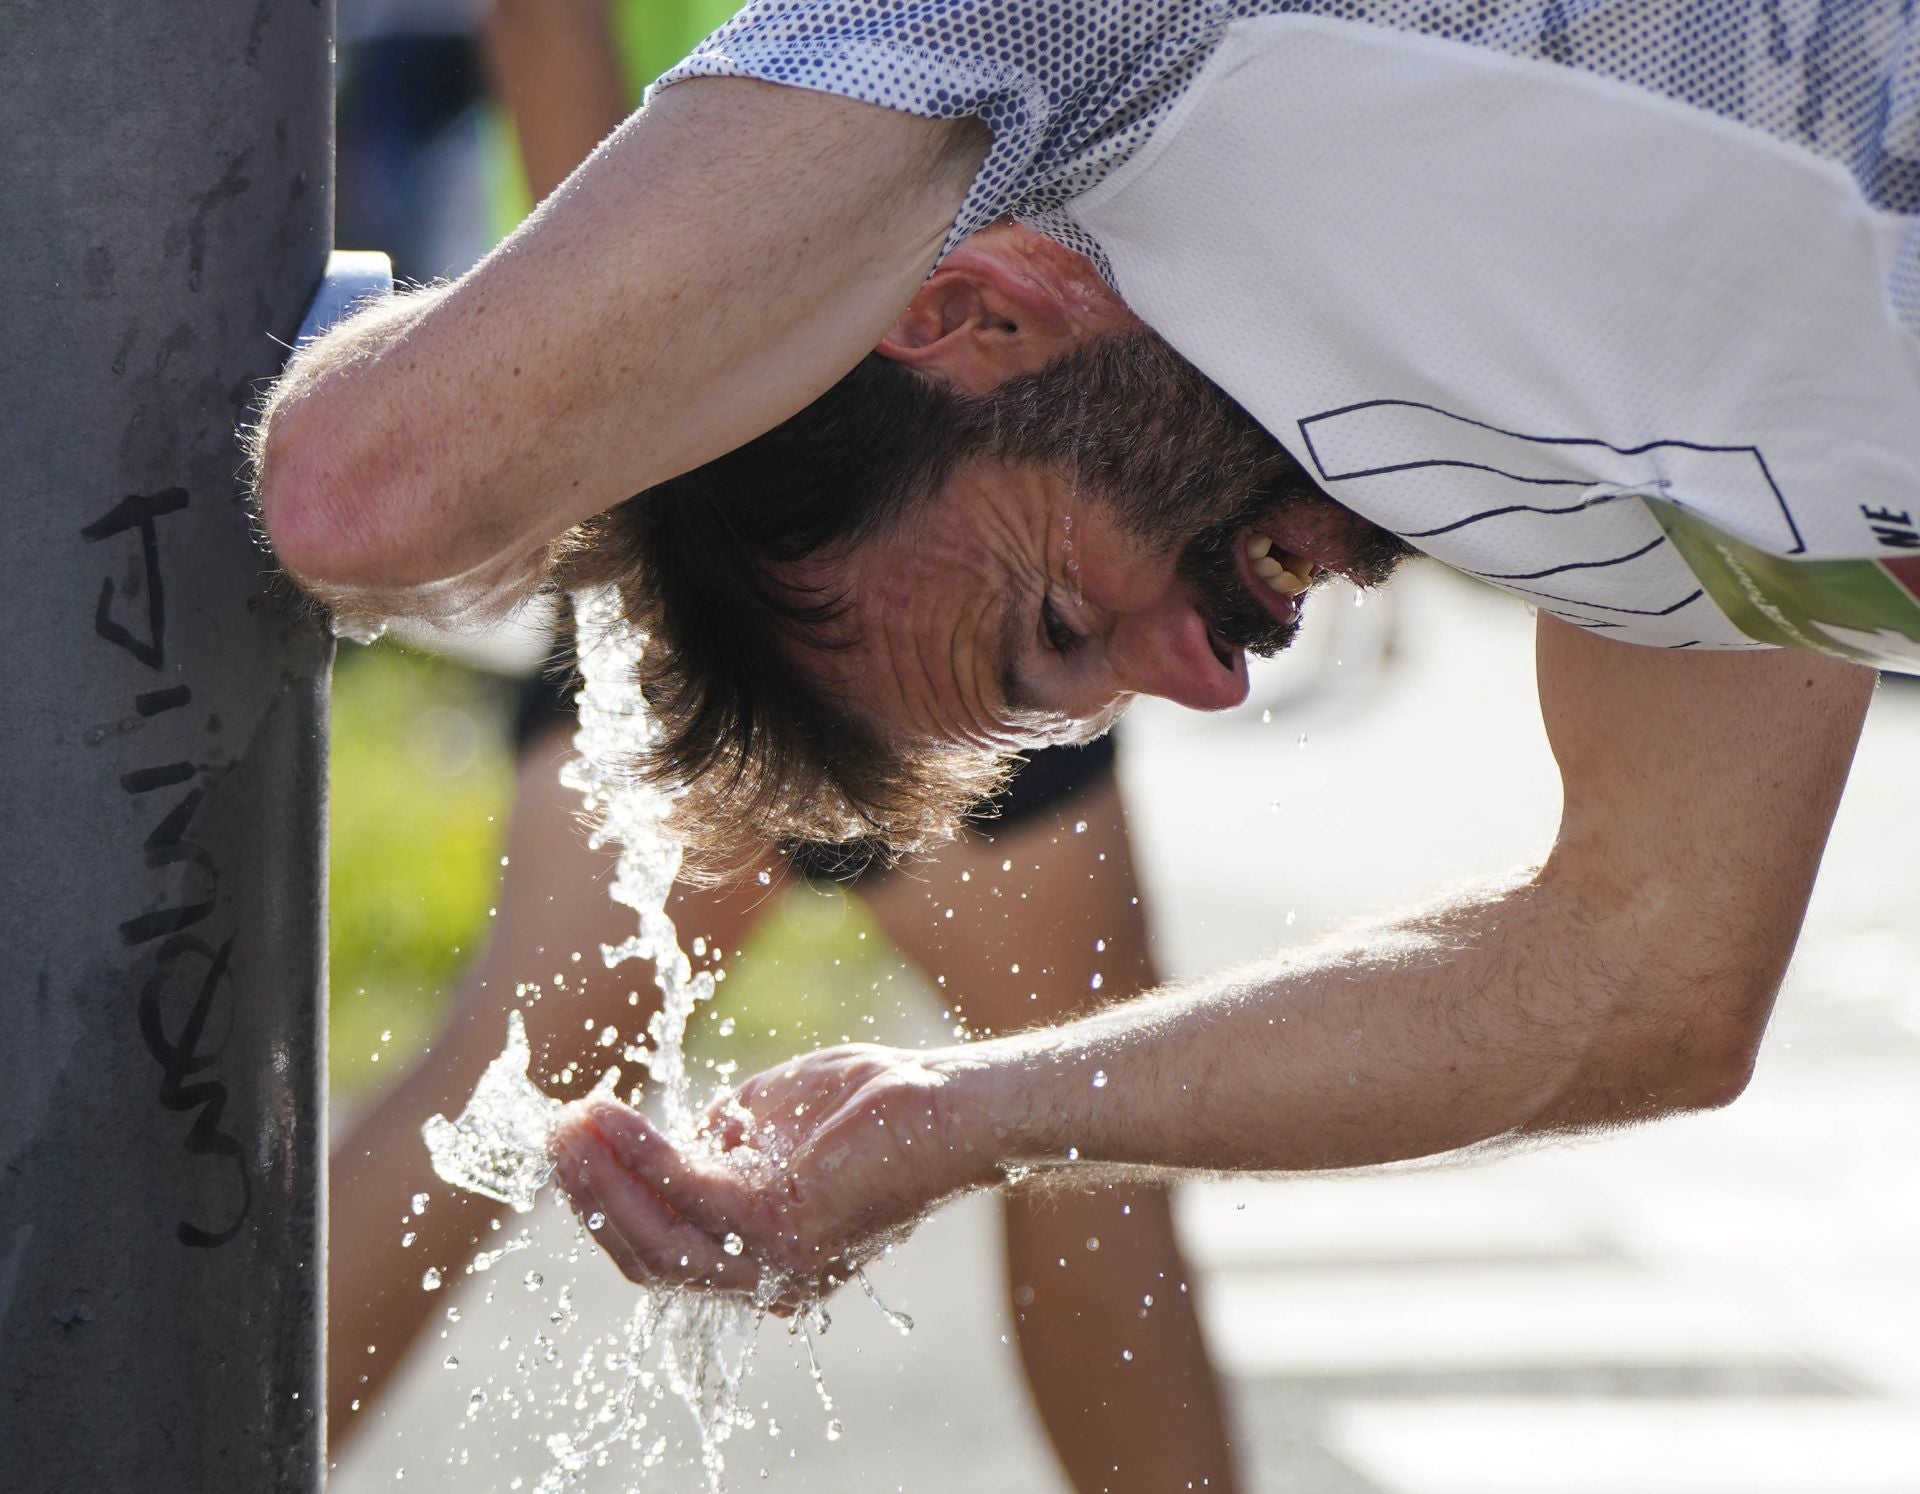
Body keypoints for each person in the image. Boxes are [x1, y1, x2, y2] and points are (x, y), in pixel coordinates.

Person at [255, 3, 1915, 1314]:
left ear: (980, 317)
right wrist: (955, 1118)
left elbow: (357, 486)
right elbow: (1644, 979)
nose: (1206, 681)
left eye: (1058, 616)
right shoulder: (1539, 494)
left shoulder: (1114, 38)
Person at [325, 4, 1240, 1490]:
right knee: (1082, 1128)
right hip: (802, 469)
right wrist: (663, 449)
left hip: (909, 472)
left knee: (1083, 1126)